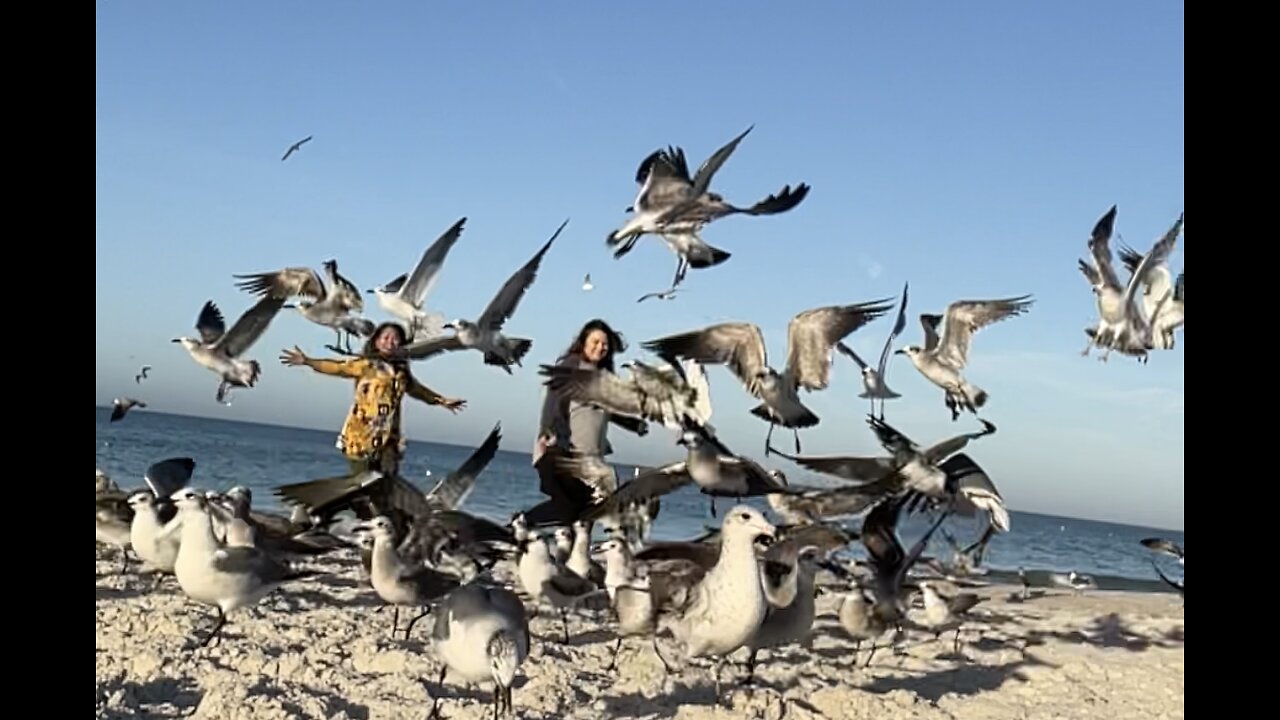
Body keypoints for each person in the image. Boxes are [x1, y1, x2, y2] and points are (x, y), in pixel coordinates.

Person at [279, 321, 466, 479]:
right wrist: (308, 361)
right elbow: (337, 367)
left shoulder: (401, 372)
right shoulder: (365, 365)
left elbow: (418, 390)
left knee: (387, 486)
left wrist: (442, 401)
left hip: (389, 440)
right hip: (362, 436)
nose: (389, 342)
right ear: (376, 342)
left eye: (395, 339)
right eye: (385, 337)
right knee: (362, 485)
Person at [526, 319, 647, 525]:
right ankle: (520, 524)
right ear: (583, 342)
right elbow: (554, 401)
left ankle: (573, 553)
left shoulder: (603, 377)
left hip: (591, 459)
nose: (600, 347)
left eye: (605, 344)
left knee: (584, 511)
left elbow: (606, 410)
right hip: (565, 452)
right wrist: (548, 433)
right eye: (595, 342)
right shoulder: (572, 366)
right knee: (570, 509)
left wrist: (633, 425)